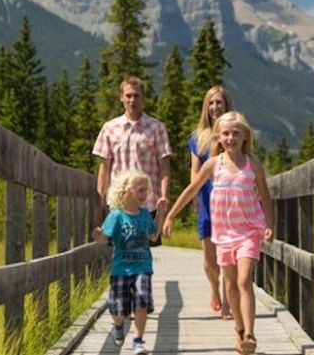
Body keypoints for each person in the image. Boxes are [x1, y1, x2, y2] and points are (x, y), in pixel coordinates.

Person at [163, 111, 274, 354]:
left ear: (245, 136)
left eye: (236, 133)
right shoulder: (214, 164)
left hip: (249, 230)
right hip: (223, 233)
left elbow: (265, 197)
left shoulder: (253, 165)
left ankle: (250, 334)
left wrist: (269, 225)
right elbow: (192, 189)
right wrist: (171, 215)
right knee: (231, 284)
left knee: (245, 279)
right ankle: (238, 328)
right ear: (218, 137)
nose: (231, 137)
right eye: (226, 133)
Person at [92, 170, 168, 355]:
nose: (144, 194)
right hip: (121, 269)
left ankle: (138, 340)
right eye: (140, 190)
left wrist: (160, 214)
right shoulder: (116, 215)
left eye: (145, 190)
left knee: (142, 301)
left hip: (143, 267)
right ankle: (119, 326)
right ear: (125, 192)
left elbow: (153, 236)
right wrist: (99, 236)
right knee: (119, 311)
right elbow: (105, 239)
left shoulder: (143, 215)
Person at [93, 76, 172, 246]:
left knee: (143, 253)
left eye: (136, 96)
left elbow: (164, 168)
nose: (132, 100)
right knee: (119, 252)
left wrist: (164, 196)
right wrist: (99, 201)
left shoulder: (157, 128)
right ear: (121, 97)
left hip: (147, 204)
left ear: (143, 98)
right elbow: (104, 169)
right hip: (118, 203)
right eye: (128, 96)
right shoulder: (109, 128)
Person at [188, 85, 234, 319]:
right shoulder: (198, 138)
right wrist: (195, 196)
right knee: (209, 257)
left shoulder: (233, 132)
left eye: (220, 102)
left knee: (228, 253)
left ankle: (228, 301)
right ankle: (214, 288)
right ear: (206, 107)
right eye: (212, 103)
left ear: (227, 105)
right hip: (207, 199)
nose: (216, 107)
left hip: (231, 202)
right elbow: (195, 172)